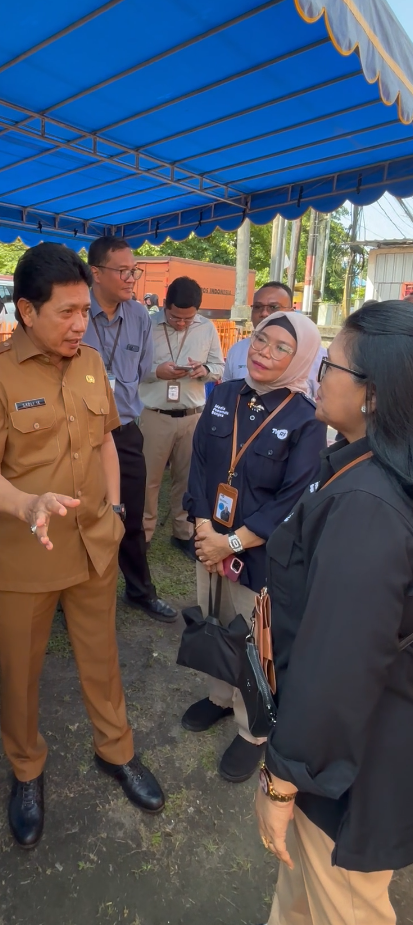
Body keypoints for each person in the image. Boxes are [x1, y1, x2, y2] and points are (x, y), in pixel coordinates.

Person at [0, 243, 165, 850]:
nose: (80, 323)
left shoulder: (92, 362)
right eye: (67, 312)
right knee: (20, 675)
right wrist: (27, 504)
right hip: (28, 554)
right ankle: (26, 770)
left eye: (83, 311)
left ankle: (116, 750)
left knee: (102, 659)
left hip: (93, 544)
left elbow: (105, 440)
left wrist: (117, 507)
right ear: (26, 310)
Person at [257, 300, 413, 925]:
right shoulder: (360, 465)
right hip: (346, 745)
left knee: (343, 904)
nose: (318, 375)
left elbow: (338, 664)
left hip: (348, 767)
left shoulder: (367, 507)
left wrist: (283, 781)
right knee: (300, 896)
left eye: (330, 365)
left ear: (371, 396)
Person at [183, 311, 327, 782]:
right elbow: (201, 461)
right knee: (213, 620)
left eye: (280, 348)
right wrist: (204, 526)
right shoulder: (226, 393)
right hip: (212, 537)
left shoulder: (307, 420)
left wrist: (230, 543)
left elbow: (293, 501)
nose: (264, 352)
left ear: (301, 357)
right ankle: (219, 698)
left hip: (258, 553)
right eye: (261, 340)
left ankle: (252, 732)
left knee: (251, 639)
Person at [82, 238, 177, 624]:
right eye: (123, 271)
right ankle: (71, 593)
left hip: (123, 431)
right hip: (78, 436)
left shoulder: (138, 316)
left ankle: (140, 591)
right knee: (78, 514)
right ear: (96, 273)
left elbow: (142, 372)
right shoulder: (74, 310)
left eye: (133, 270)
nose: (131, 278)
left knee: (131, 516)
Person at [139, 276, 225, 559]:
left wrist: (205, 371)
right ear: (165, 306)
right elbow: (132, 368)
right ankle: (144, 533)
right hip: (154, 414)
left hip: (192, 415)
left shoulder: (206, 327)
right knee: (148, 479)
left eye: (188, 319)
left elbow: (218, 366)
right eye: (176, 317)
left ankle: (183, 532)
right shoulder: (146, 324)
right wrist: (156, 372)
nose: (181, 323)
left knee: (188, 479)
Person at [223, 282, 326, 397]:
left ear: (291, 312)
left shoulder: (317, 357)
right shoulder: (237, 350)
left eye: (273, 307)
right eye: (258, 307)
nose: (264, 313)